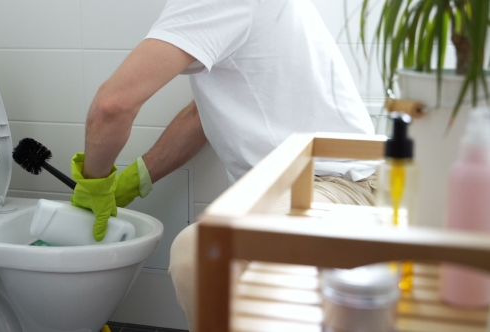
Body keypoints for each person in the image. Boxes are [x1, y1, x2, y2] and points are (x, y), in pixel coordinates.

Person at [70, 0, 378, 330]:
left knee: (198, 255)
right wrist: (139, 177)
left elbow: (112, 106)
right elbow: (205, 112)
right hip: (312, 186)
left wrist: (95, 183)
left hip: (334, 185)